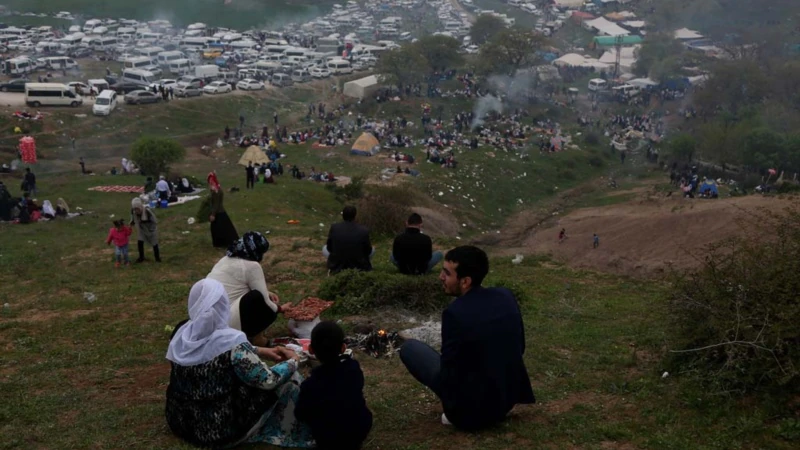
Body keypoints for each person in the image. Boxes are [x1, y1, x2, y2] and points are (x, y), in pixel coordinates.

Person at [165, 279, 314, 449]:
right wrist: (294, 361)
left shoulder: (182, 333)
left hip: (182, 421)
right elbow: (268, 380)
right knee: (290, 379)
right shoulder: (232, 342)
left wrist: (259, 351)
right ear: (223, 304)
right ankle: (305, 427)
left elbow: (211, 348)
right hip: (221, 429)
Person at [399, 246, 535, 430]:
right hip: (505, 401)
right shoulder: (506, 296)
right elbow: (520, 347)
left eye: (447, 273)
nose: (441, 277)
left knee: (411, 348)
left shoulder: (454, 313)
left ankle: (459, 412)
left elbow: (449, 373)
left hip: (469, 414)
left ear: (465, 281)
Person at [295, 321, 372, 450]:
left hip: (328, 439)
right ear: (343, 348)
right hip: (359, 428)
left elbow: (300, 414)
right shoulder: (353, 368)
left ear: (311, 349)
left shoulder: (311, 384)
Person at [207, 232, 286, 344]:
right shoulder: (252, 266)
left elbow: (235, 285)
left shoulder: (225, 259)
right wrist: (281, 309)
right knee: (259, 300)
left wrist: (267, 292)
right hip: (225, 323)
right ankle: (258, 339)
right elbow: (266, 302)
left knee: (256, 296)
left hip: (209, 321)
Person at [323, 206, 373, 274]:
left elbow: (329, 247)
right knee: (373, 250)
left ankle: (334, 265)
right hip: (359, 266)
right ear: (355, 216)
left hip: (337, 264)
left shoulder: (334, 227)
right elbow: (368, 251)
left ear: (343, 215)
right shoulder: (364, 230)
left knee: (324, 248)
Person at [207, 172, 239, 248]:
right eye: (209, 180)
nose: (210, 182)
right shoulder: (216, 188)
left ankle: (222, 243)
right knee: (223, 228)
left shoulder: (216, 190)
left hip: (218, 212)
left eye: (211, 180)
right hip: (220, 211)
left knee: (220, 229)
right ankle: (222, 243)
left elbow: (216, 203)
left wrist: (213, 214)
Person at [130, 197, 161, 262]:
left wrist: (151, 229)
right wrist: (132, 222)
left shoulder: (147, 212)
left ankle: (157, 258)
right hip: (142, 229)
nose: (136, 211)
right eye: (134, 209)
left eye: (137, 209)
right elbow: (133, 219)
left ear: (140, 207)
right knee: (140, 242)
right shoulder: (134, 212)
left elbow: (154, 221)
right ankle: (141, 257)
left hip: (150, 229)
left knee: (154, 243)